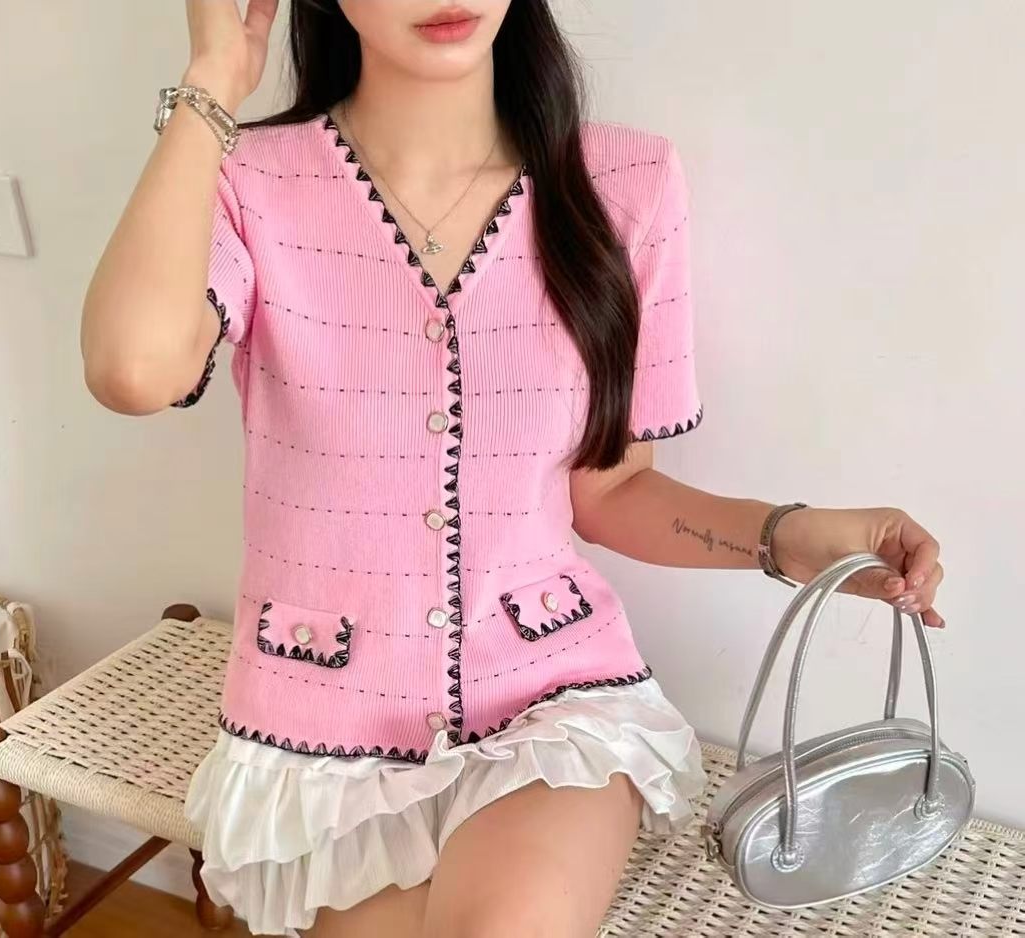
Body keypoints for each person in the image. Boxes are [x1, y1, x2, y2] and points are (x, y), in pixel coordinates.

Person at [79, 1, 946, 935]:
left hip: (550, 706)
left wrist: (791, 538)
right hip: (321, 724)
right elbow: (133, 370)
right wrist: (211, 80)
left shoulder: (626, 183)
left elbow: (611, 489)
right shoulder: (243, 177)